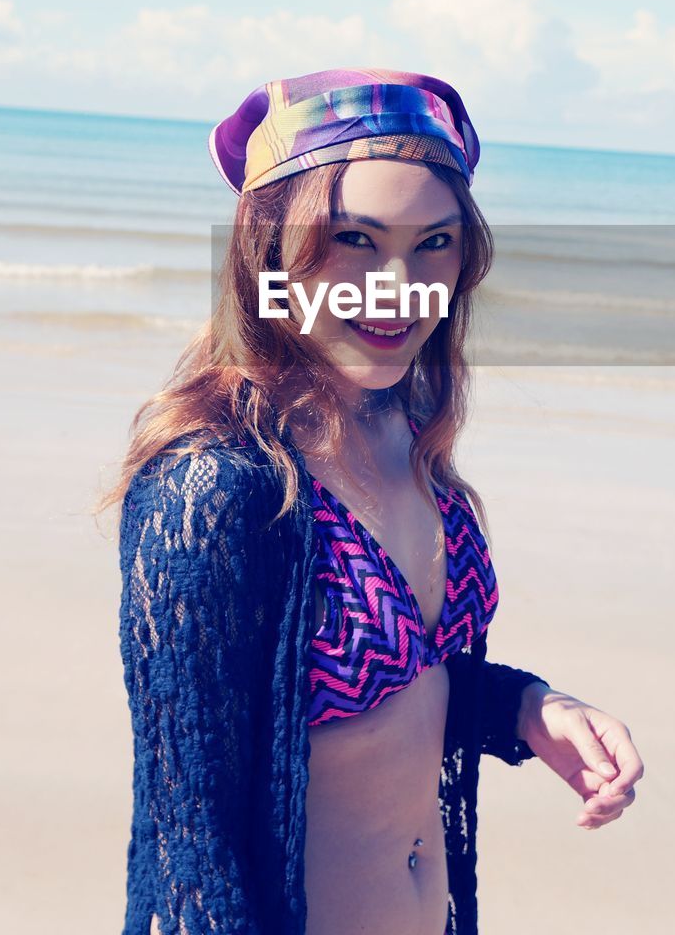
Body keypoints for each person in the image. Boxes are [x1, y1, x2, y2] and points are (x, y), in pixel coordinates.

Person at [105, 69, 644, 935]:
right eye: (354, 237)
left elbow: (402, 696)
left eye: (434, 242)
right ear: (269, 250)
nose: (398, 285)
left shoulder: (411, 437)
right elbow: (190, 850)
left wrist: (527, 708)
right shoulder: (213, 485)